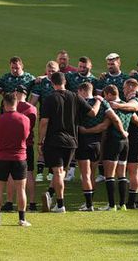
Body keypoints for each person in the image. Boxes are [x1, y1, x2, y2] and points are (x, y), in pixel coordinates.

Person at [38, 72, 101, 213]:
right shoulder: (75, 96)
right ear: (65, 82)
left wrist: (40, 141)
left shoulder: (50, 98)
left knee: (58, 172)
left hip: (54, 140)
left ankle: (60, 205)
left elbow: (44, 122)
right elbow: (92, 113)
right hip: (71, 141)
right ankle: (50, 194)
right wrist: (98, 100)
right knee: (61, 172)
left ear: (52, 83)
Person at [75, 81, 120, 211]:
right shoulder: (102, 102)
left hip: (82, 141)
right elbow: (114, 118)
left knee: (85, 174)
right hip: (97, 142)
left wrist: (84, 130)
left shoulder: (79, 103)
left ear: (82, 91)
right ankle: (90, 202)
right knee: (92, 173)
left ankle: (89, 204)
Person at [109, 79, 138, 209]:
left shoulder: (135, 99)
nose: (123, 90)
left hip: (137, 139)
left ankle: (131, 202)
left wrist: (118, 106)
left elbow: (134, 107)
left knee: (134, 172)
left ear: (131, 87)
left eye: (124, 88)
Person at [0, 93, 32, 227]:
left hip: (2, 157)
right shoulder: (25, 119)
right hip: (20, 157)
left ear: (4, 104)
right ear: (16, 103)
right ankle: (22, 219)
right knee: (21, 189)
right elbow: (26, 136)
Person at [98, 84, 131, 210]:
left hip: (113, 141)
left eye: (105, 96)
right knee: (122, 174)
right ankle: (122, 204)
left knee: (110, 175)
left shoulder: (111, 108)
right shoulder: (126, 105)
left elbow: (105, 125)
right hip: (125, 142)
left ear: (109, 94)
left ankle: (112, 205)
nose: (105, 99)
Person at [9, 85, 38, 212]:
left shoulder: (11, 107)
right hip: (28, 143)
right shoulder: (32, 108)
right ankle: (32, 202)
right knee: (29, 173)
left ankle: (9, 202)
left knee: (11, 174)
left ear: (16, 93)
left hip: (12, 145)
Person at [30, 60, 59, 182]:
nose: (51, 73)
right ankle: (40, 173)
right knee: (42, 143)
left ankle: (52, 172)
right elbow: (33, 102)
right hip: (44, 118)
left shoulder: (62, 81)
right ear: (46, 71)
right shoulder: (41, 83)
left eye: (53, 71)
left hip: (58, 119)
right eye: (49, 71)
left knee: (55, 145)